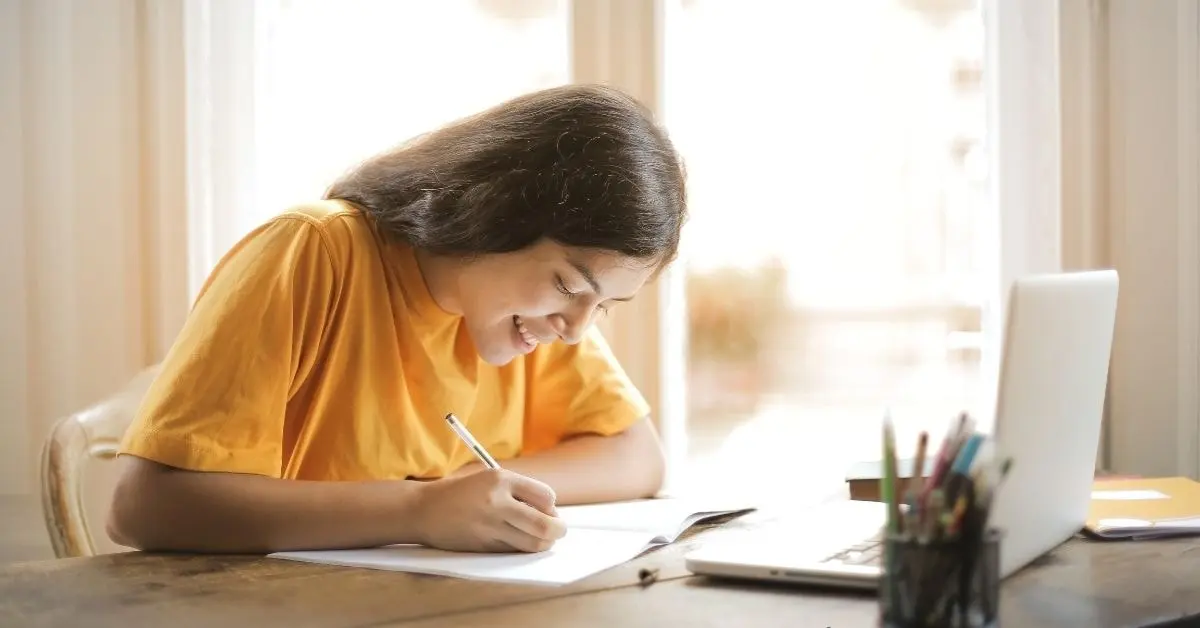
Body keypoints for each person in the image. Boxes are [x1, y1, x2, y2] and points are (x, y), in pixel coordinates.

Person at [105, 84, 687, 556]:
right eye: (567, 286)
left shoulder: (536, 317)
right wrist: (420, 510)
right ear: (495, 214)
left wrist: (474, 492)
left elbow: (638, 457)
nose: (578, 329)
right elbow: (144, 507)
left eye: (603, 306)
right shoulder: (315, 252)